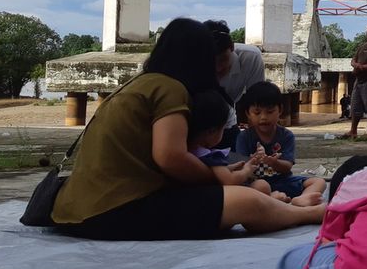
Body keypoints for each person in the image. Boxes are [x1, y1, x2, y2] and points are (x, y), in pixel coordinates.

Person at [51, 17, 324, 240]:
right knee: (245, 201)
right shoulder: (170, 89)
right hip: (114, 211)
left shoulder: (141, 83)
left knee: (238, 199)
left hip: (80, 210)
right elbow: (170, 157)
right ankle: (310, 214)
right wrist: (217, 179)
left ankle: (279, 207)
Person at [186, 89, 294, 201]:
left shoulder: (186, 151)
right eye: (223, 129)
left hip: (193, 196)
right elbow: (230, 180)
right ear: (212, 131)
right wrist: (246, 170)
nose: (263, 117)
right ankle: (275, 200)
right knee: (262, 185)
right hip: (215, 200)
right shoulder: (212, 157)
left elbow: (217, 172)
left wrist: (231, 167)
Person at [235, 81, 327, 206]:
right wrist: (253, 161)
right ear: (248, 114)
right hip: (256, 183)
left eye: (270, 112)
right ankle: (272, 199)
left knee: (318, 182)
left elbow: (287, 166)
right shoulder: (244, 137)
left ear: (280, 111)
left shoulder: (286, 135)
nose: (263, 117)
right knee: (261, 186)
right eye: (257, 113)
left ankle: (302, 199)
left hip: (283, 181)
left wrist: (274, 162)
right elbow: (242, 168)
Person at [204, 20, 265, 149]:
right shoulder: (191, 62)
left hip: (229, 119)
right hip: (199, 123)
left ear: (231, 47)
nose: (218, 68)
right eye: (210, 62)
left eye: (223, 60)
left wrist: (257, 141)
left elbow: (257, 101)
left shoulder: (250, 57)